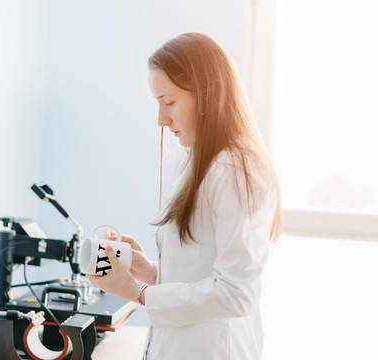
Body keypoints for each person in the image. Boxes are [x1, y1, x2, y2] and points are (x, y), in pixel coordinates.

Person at [86, 32, 282, 360]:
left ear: (207, 94)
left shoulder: (235, 168)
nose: (161, 120)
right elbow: (204, 271)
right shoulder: (198, 161)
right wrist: (149, 271)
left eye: (169, 102)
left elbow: (236, 293)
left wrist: (139, 293)